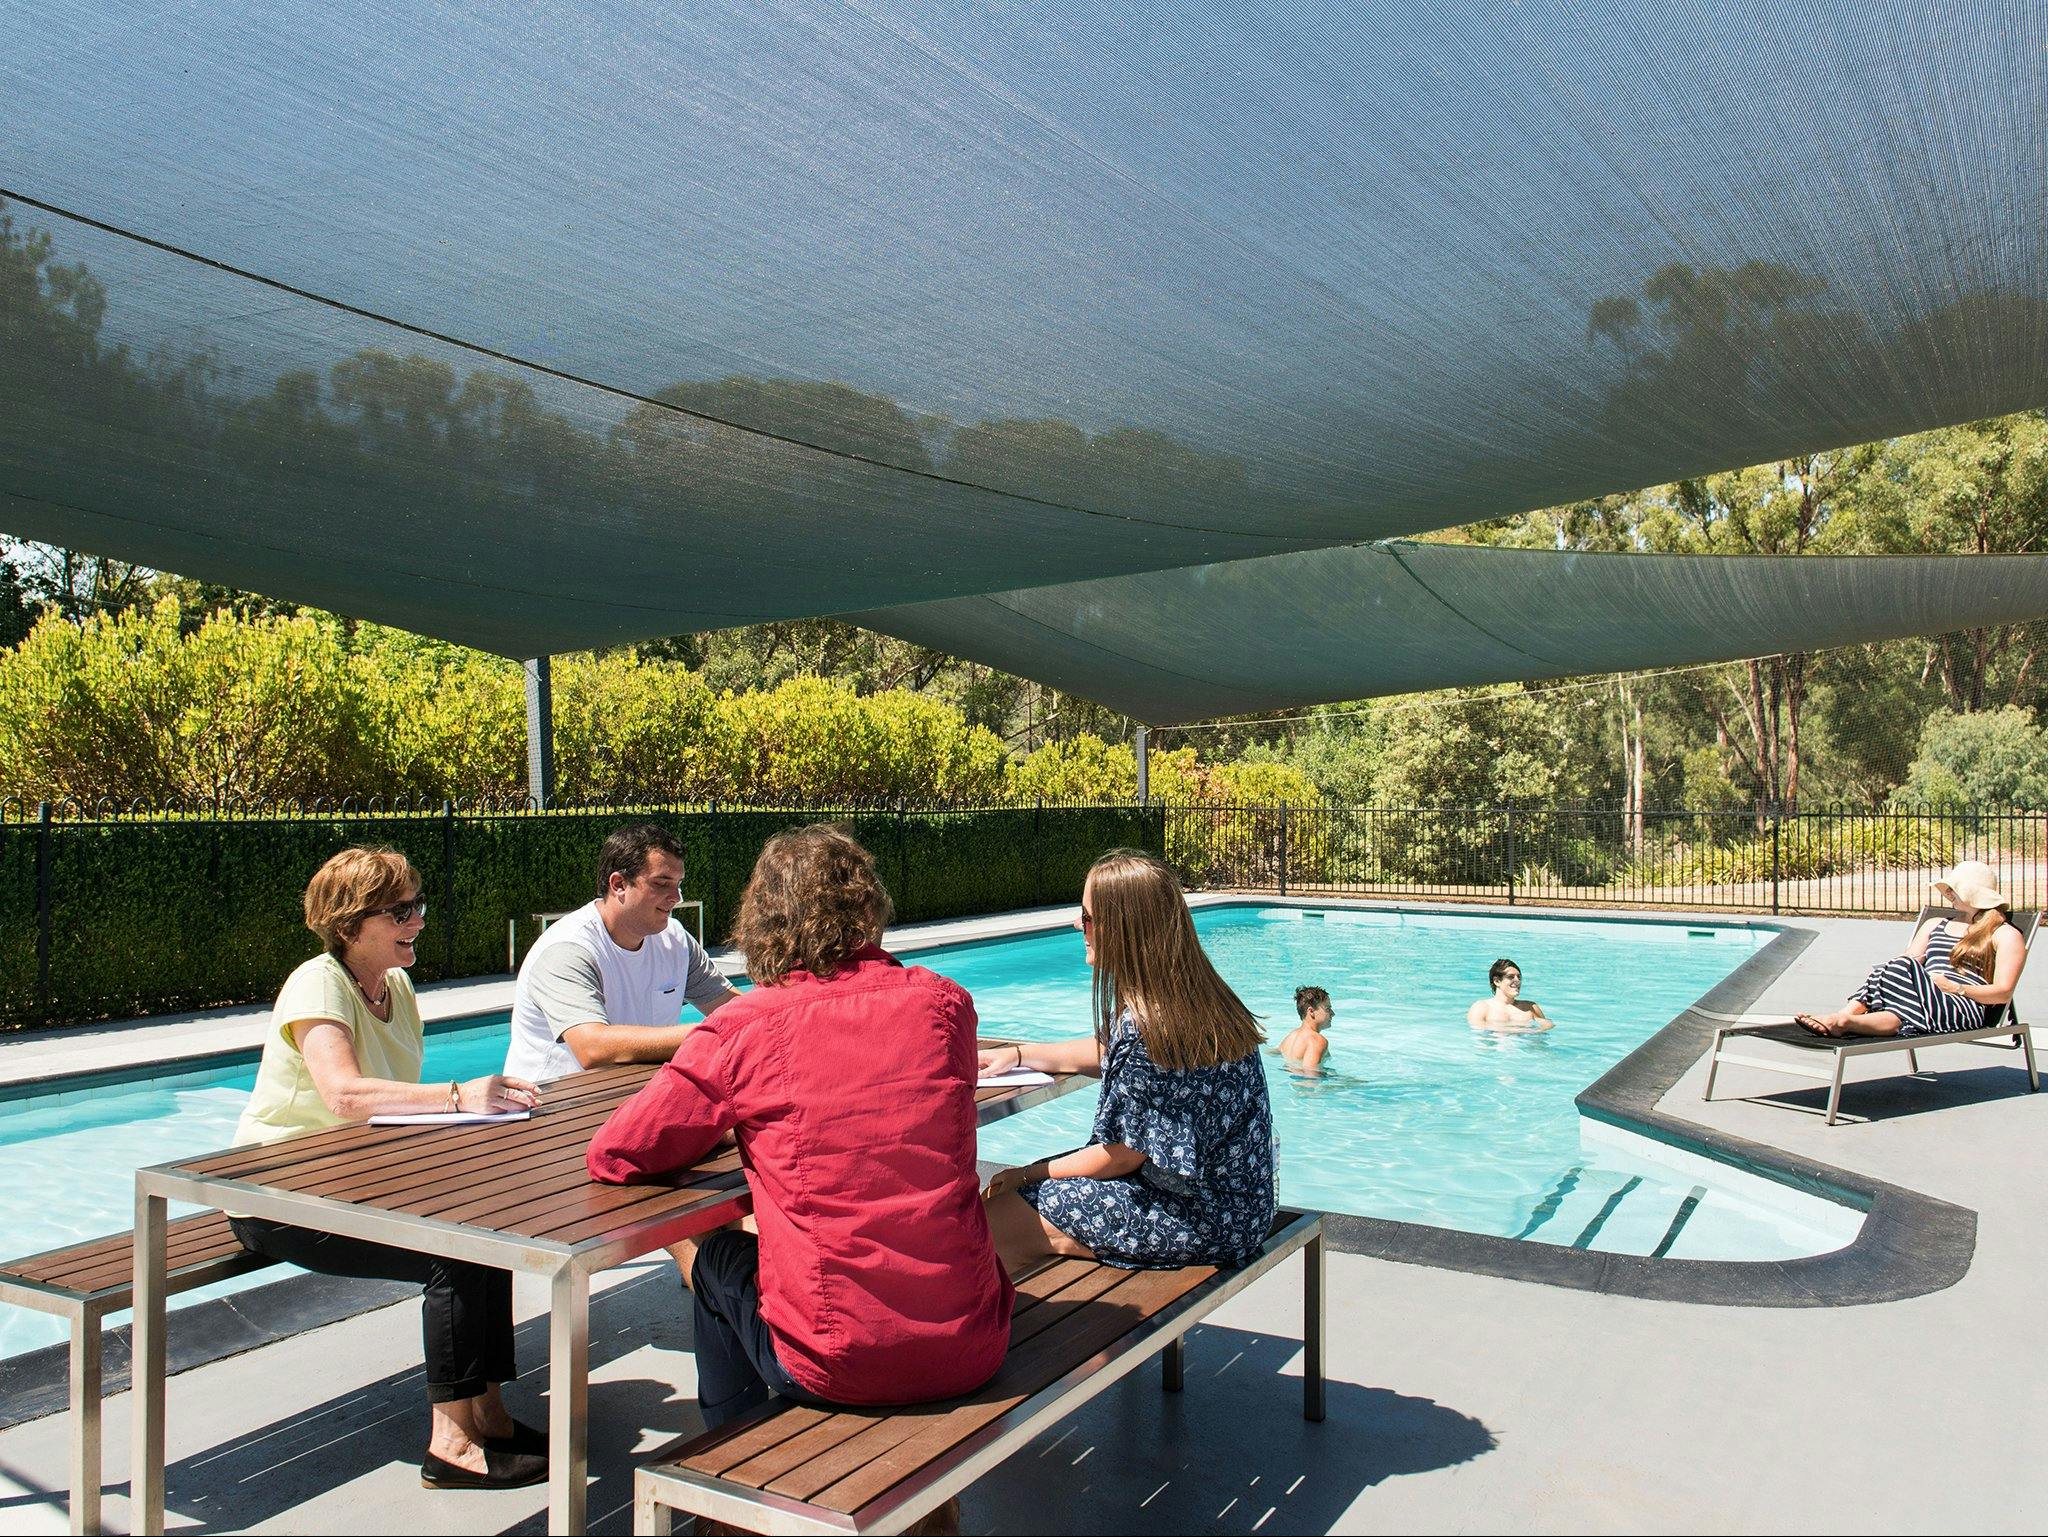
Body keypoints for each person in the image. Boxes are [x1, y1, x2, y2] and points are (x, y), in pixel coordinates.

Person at [586, 824, 1012, 1431]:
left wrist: (734, 1124)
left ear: (765, 918)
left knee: (718, 1258)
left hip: (837, 1359)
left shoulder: (748, 1027)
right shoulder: (945, 1005)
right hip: (973, 1341)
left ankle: (733, 1469)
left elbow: (620, 1152)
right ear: (868, 905)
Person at [231, 847, 547, 1491]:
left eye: (417, 906)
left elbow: (388, 1108)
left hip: (347, 1182)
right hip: (276, 1196)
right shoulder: (317, 982)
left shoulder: (398, 988)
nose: (419, 921)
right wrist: (460, 1096)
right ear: (350, 923)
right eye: (400, 910)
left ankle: (487, 1412)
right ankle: (451, 1443)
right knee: (452, 1254)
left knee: (484, 1232)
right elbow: (345, 1096)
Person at [980, 849, 1276, 1275]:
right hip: (1243, 1209)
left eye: (1086, 917)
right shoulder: (1198, 1003)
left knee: (988, 1223)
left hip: (1198, 1218)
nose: (1078, 927)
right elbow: (1108, 1051)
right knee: (1008, 1209)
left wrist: (1029, 1173)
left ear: (1121, 928)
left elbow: (1122, 1156)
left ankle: (1000, 1335)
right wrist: (1022, 1054)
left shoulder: (1148, 1026)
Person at [504, 822, 741, 1081]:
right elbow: (592, 1048)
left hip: (627, 1098)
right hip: (552, 1108)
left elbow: (733, 1009)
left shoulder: (674, 940)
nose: (677, 897)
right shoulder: (567, 950)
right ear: (618, 884)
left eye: (678, 884)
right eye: (662, 883)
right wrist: (709, 1034)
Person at [1798, 861, 2028, 1038]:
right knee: (1897, 965)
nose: (1948, 894)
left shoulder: (2005, 934)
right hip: (1919, 998)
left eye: (1952, 890)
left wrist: (1956, 987)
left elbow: (2003, 992)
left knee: (1902, 965)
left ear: (1971, 893)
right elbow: (1906, 963)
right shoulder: (1936, 924)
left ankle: (1843, 1017)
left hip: (1960, 1006)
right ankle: (1844, 1020)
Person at [1467, 958, 1554, 1032]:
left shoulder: (1530, 1007)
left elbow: (1548, 1026)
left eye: (1519, 977)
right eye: (1511, 977)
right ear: (1497, 981)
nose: (1517, 981)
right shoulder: (1481, 1007)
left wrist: (1538, 1030)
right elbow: (1479, 1037)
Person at [1279, 985, 1334, 1073]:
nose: (1333, 1013)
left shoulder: (1291, 1036)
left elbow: (1275, 1053)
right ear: (1311, 1011)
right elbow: (1310, 1077)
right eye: (1328, 1009)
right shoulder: (1317, 1040)